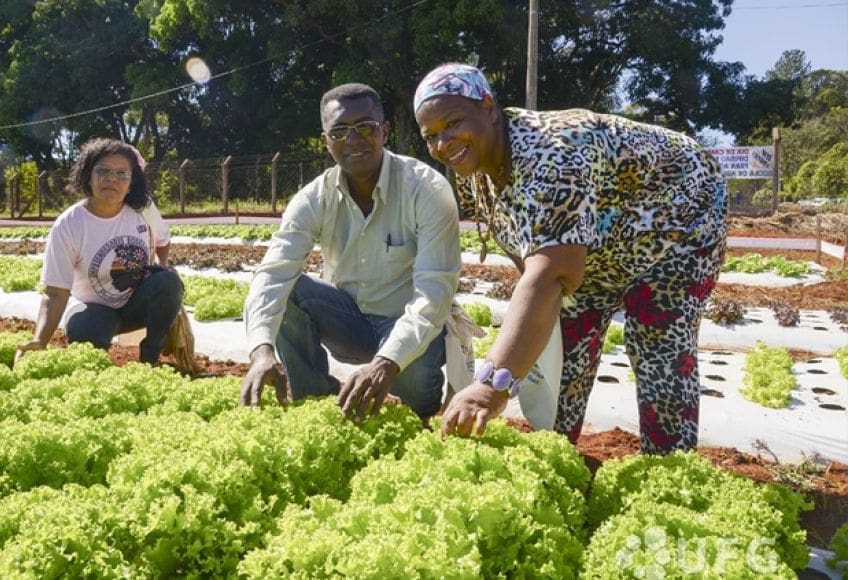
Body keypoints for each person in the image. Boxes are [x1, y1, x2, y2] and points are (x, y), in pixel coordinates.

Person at [414, 64, 727, 454]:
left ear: (489, 107)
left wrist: (489, 386)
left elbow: (552, 273)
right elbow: (532, 259)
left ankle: (671, 469)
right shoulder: (478, 165)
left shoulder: (552, 154)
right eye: (431, 136)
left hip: (679, 218)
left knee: (656, 337)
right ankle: (556, 450)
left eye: (453, 122)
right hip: (601, 243)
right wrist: (538, 325)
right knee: (568, 344)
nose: (443, 143)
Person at [241, 83, 461, 422]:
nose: (353, 140)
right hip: (350, 322)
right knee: (290, 289)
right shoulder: (314, 198)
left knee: (416, 394)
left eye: (366, 128)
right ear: (326, 140)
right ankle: (315, 405)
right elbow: (273, 272)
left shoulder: (426, 189)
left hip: (408, 321)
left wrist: (386, 363)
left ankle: (417, 394)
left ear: (385, 131)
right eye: (339, 131)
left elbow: (434, 294)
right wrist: (260, 351)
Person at [15, 138, 184, 366]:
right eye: (103, 171)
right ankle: (97, 359)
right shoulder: (70, 224)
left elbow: (163, 239)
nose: (112, 178)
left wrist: (160, 267)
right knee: (87, 332)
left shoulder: (142, 208)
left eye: (122, 173)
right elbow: (55, 292)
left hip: (136, 304)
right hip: (93, 308)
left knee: (168, 282)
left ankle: (150, 358)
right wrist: (39, 340)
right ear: (88, 175)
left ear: (132, 181)